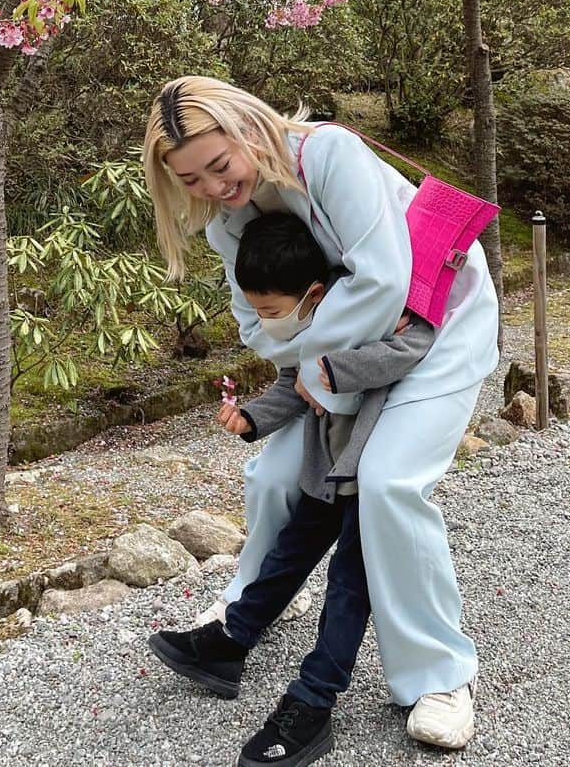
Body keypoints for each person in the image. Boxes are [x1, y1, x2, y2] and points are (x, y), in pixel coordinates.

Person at [143, 76, 501, 750]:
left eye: (220, 166)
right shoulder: (228, 223)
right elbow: (256, 328)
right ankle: (242, 616)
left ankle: (439, 674)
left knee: (390, 483)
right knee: (275, 474)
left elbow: (387, 281)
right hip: (335, 362)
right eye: (192, 180)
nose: (214, 188)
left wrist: (312, 355)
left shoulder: (327, 154)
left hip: (437, 327)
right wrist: (319, 360)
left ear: (249, 128)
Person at [149, 211, 436, 767]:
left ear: (314, 293)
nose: (265, 323)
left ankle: (313, 700)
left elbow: (413, 346)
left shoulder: (384, 312)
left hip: (371, 474)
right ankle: (231, 643)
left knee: (348, 587)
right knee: (286, 556)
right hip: (327, 470)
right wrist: (251, 419)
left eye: (272, 312)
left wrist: (334, 368)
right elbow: (293, 383)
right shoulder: (312, 323)